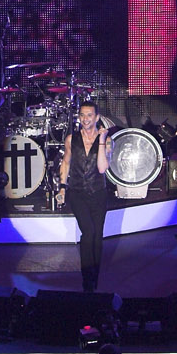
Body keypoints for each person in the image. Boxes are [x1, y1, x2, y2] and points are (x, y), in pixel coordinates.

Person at [61, 99, 115, 292]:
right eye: (82, 115)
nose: (85, 119)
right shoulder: (71, 139)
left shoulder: (107, 141)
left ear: (97, 117)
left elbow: (102, 168)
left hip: (98, 193)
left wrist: (101, 140)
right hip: (77, 193)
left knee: (97, 237)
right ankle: (87, 279)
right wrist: (62, 187)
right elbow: (66, 162)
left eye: (89, 115)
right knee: (88, 232)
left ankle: (94, 278)